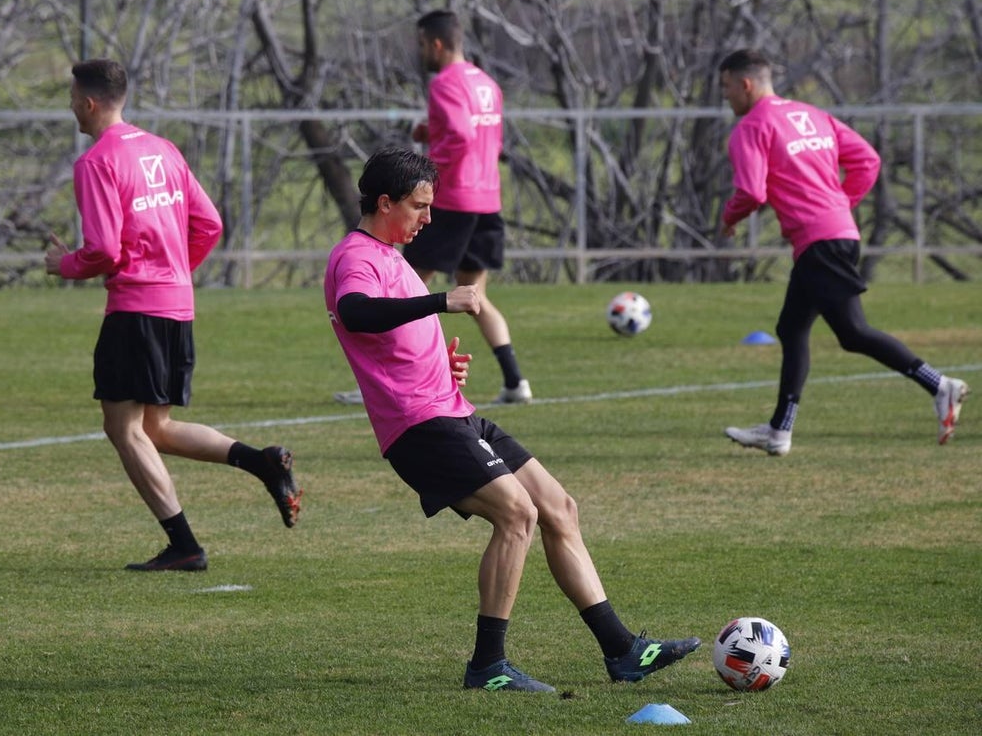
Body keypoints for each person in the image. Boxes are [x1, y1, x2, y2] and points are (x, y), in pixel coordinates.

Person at [325, 145, 699, 692]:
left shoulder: (391, 255)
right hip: (418, 427)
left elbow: (388, 336)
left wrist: (437, 361)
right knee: (516, 515)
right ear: (385, 202)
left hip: (453, 411)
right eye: (418, 206)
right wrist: (439, 303)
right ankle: (488, 666)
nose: (428, 219)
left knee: (558, 507)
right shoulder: (356, 256)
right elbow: (357, 312)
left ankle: (623, 651)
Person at [45, 59, 302, 571]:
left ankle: (184, 545)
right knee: (155, 427)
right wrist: (175, 271)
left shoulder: (96, 162)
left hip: (136, 308)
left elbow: (102, 249)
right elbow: (209, 223)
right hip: (177, 307)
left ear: (89, 102)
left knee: (123, 428)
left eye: (73, 97)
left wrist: (63, 264)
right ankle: (262, 461)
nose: (71, 104)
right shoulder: (162, 148)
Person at [718, 49, 969, 455]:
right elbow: (867, 160)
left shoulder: (752, 126)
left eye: (727, 87)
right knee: (793, 328)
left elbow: (750, 190)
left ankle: (940, 384)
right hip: (837, 234)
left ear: (745, 84)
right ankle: (779, 431)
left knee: (853, 332)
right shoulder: (813, 115)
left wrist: (729, 218)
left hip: (821, 241)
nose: (726, 96)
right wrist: (838, 206)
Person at [333, 10, 530, 407]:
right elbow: (484, 138)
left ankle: (383, 376)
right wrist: (432, 131)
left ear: (436, 44)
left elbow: (460, 134)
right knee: (475, 295)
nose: (421, 51)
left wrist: (425, 172)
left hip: (453, 200)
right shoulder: (486, 83)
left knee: (402, 289)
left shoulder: (444, 83)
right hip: (487, 198)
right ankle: (515, 381)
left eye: (422, 44)